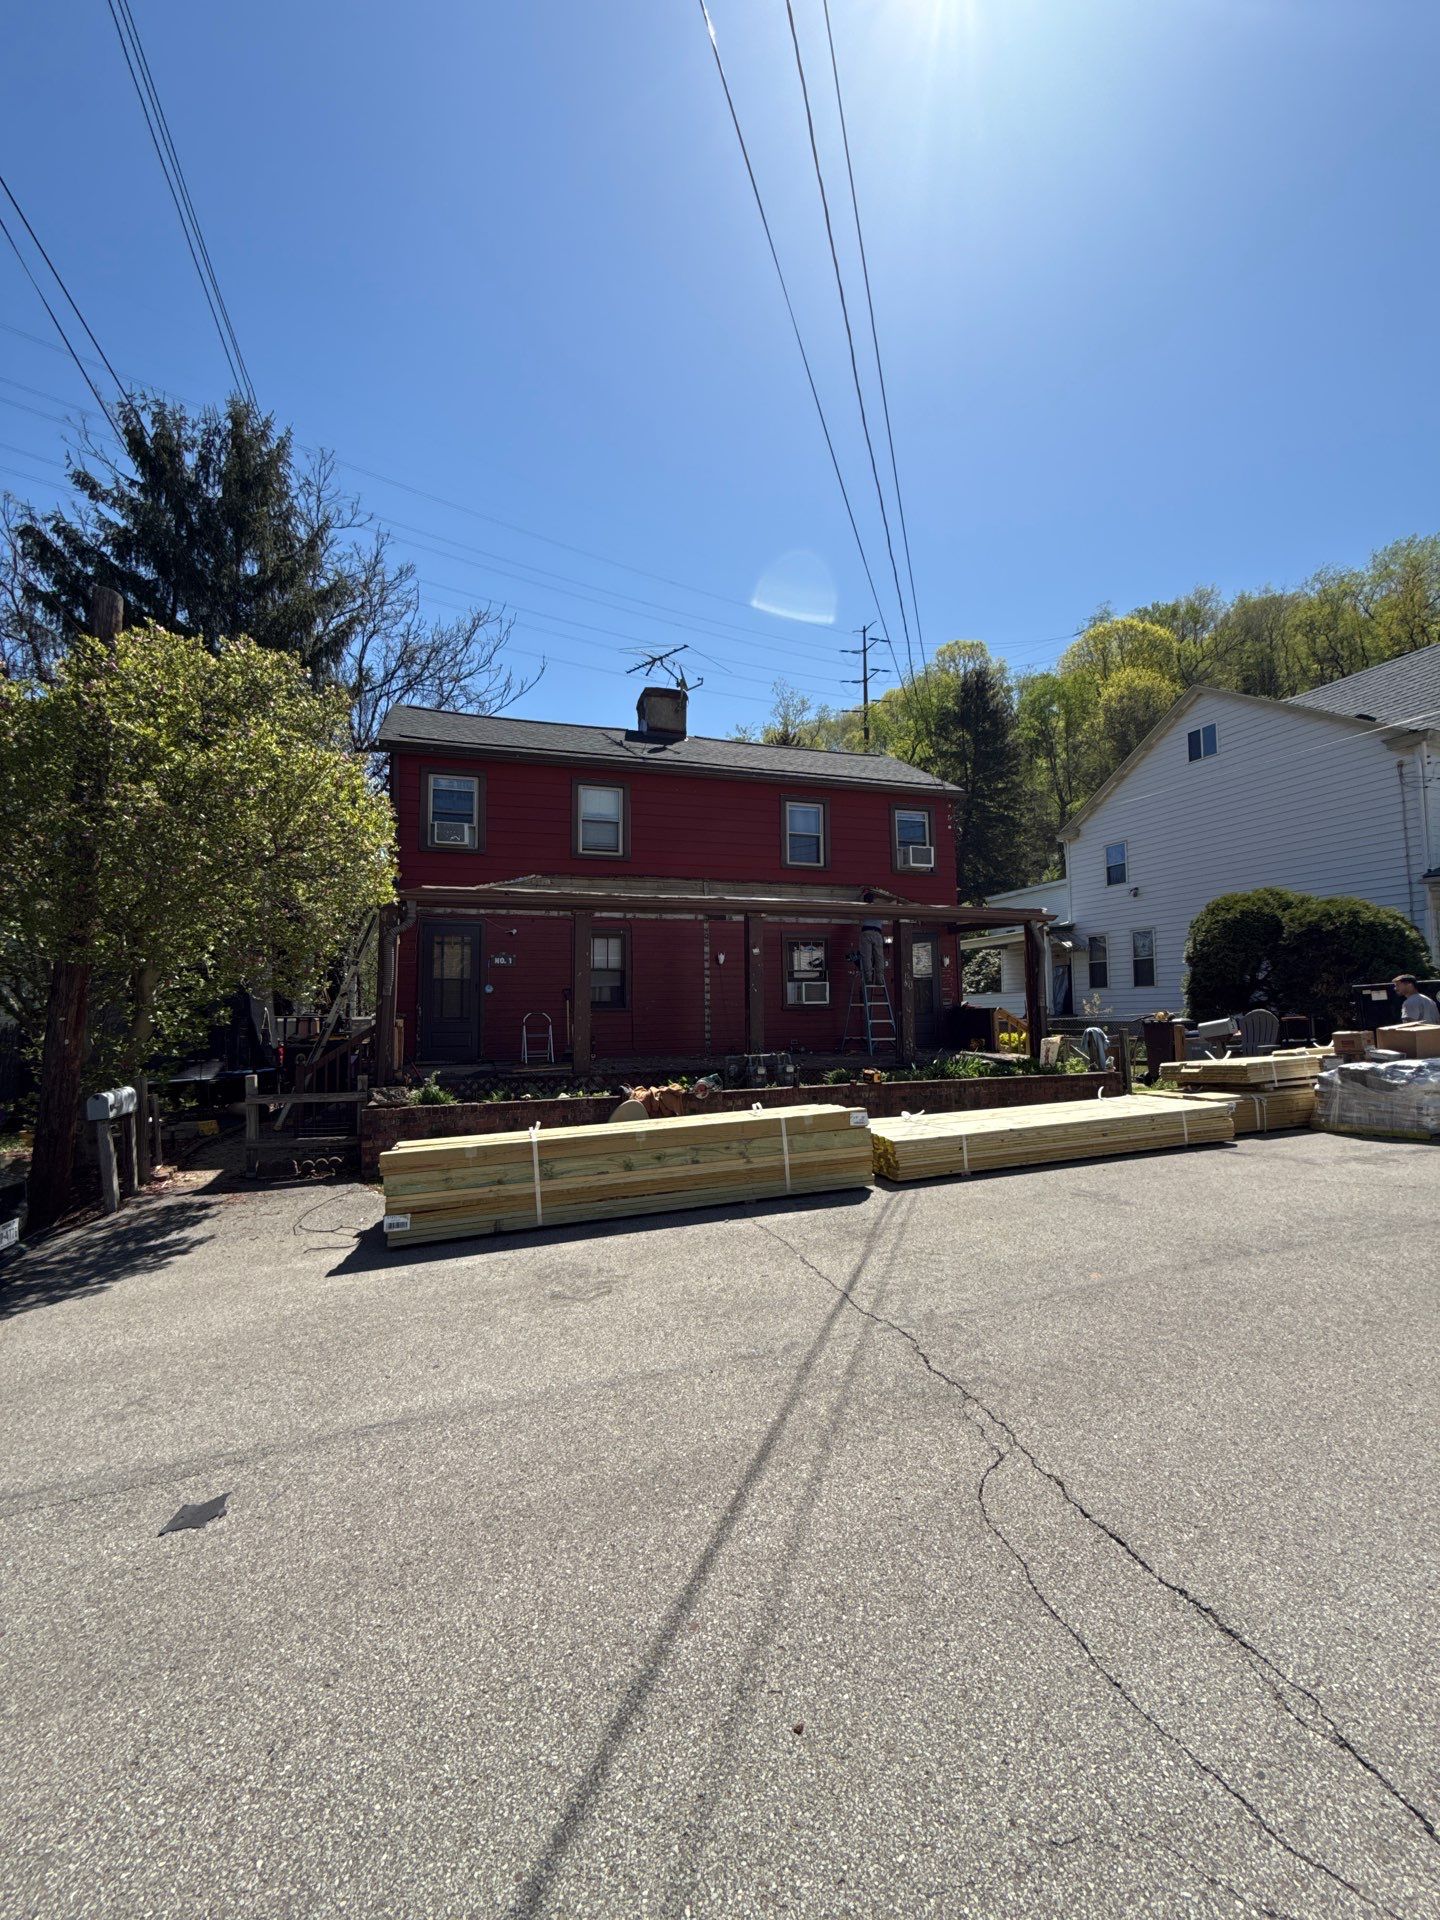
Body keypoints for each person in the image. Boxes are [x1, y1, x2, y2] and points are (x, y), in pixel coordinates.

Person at [859, 892, 886, 986]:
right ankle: (880, 978)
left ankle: (868, 978)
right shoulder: (878, 908)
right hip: (878, 933)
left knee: (867, 956)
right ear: (873, 899)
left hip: (866, 932)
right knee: (879, 957)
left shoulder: (863, 907)